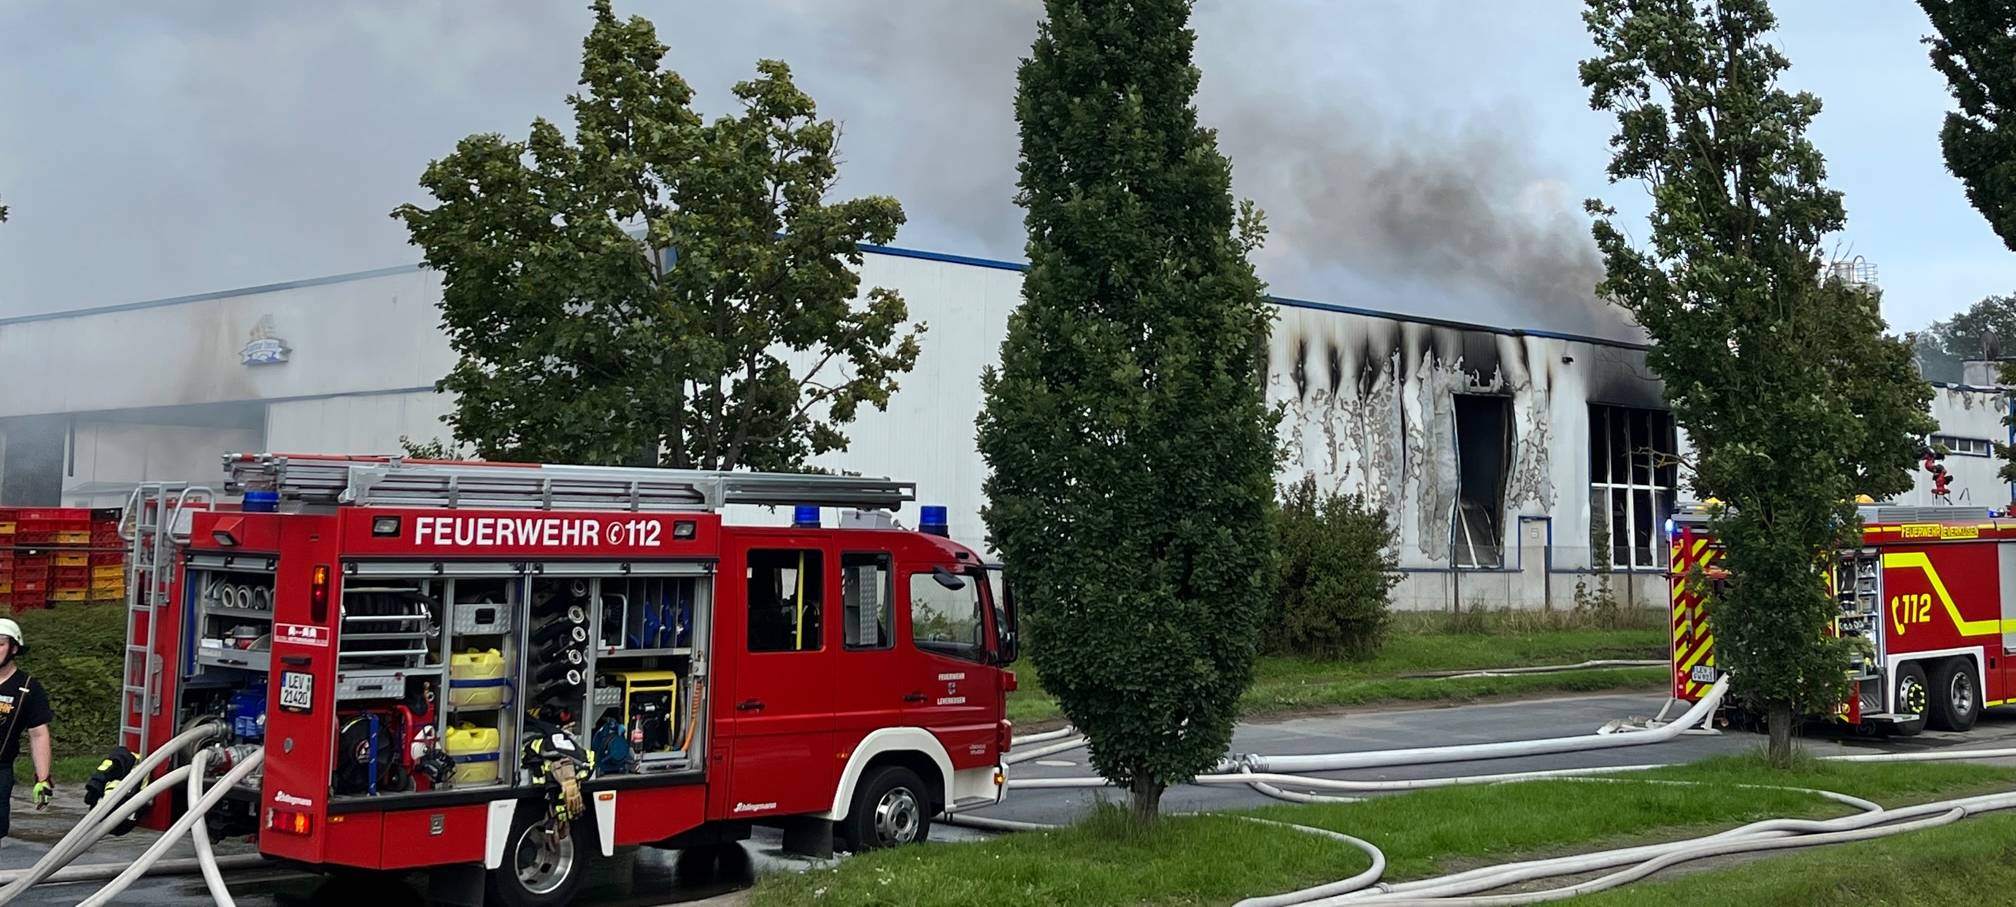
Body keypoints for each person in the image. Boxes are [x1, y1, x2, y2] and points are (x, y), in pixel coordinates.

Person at [0, 619, 53, 840]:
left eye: (0, 644)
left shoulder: (28, 688)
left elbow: (38, 734)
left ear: (14, 648)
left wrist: (43, 779)